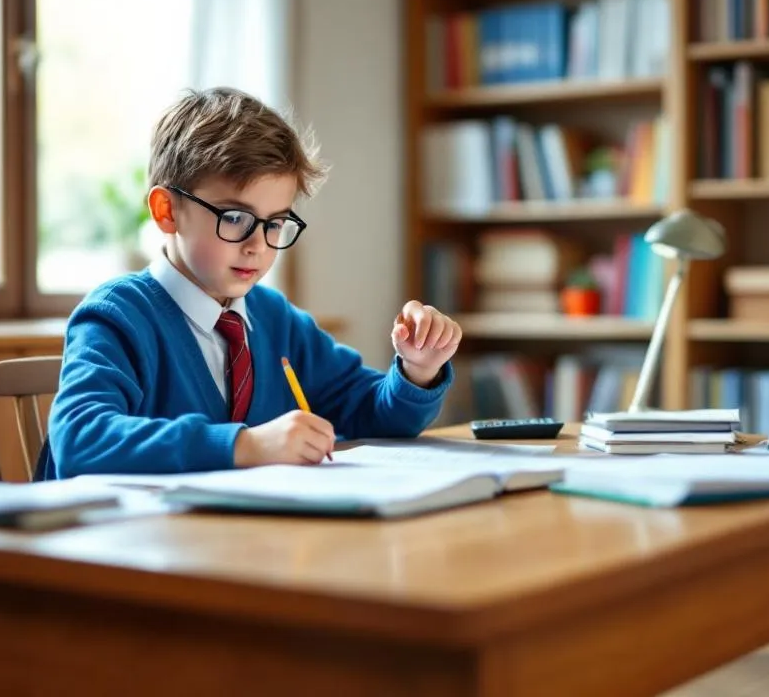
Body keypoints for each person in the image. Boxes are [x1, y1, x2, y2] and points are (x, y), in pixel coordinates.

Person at [38, 87, 463, 478]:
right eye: (235, 218)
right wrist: (248, 444)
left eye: (276, 222)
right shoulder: (119, 316)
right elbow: (80, 439)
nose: (258, 244)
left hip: (231, 546)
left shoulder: (274, 320)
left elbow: (373, 412)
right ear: (167, 210)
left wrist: (417, 370)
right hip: (123, 550)